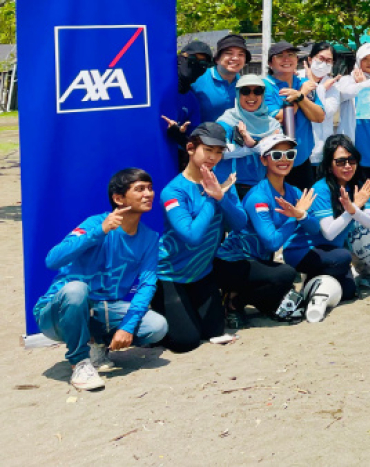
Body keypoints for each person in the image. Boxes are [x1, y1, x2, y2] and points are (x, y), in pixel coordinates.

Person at [33, 169, 168, 391]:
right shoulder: (95, 224)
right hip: (57, 314)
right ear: (119, 198)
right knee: (76, 290)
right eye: (140, 189)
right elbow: (52, 260)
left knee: (157, 326)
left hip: (104, 309)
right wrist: (100, 231)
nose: (148, 194)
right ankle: (79, 362)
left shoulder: (149, 238)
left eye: (150, 188)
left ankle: (97, 345)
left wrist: (127, 326)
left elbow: (147, 284)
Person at [152, 123, 248, 353]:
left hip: (202, 272)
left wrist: (222, 197)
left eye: (219, 151)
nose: (213, 157)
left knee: (214, 331)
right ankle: (151, 317)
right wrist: (213, 198)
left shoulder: (222, 180)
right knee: (186, 342)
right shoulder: (173, 191)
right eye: (208, 150)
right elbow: (191, 236)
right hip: (170, 275)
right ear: (190, 148)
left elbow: (240, 224)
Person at [213, 134, 313, 327]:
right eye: (276, 155)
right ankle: (233, 302)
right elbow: (272, 242)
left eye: (289, 154)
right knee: (286, 274)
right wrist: (296, 216)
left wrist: (302, 215)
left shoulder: (293, 191)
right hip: (230, 263)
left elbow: (315, 227)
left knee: (288, 297)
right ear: (263, 160)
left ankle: (240, 295)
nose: (284, 159)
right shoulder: (258, 197)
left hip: (258, 263)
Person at [287, 134, 370, 301]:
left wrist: (354, 209)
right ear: (329, 165)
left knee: (348, 291)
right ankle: (311, 278)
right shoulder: (321, 189)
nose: (348, 166)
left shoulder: (357, 186)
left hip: (332, 251)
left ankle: (318, 278)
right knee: (343, 258)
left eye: (352, 160)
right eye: (341, 161)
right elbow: (329, 233)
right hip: (304, 250)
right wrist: (353, 208)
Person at [263, 41, 325, 190]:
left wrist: (300, 97)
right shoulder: (265, 86)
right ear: (270, 63)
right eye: (280, 56)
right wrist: (301, 94)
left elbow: (319, 117)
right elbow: (279, 118)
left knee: (305, 203)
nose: (286, 59)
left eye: (291, 55)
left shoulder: (304, 83)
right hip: (275, 160)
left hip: (302, 160)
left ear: (297, 60)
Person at [189, 33, 250, 182]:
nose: (235, 58)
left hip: (231, 157)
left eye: (241, 54)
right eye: (229, 53)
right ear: (217, 58)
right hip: (201, 156)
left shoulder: (245, 86)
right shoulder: (198, 79)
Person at [216, 74, 284, 195]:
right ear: (238, 94)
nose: (252, 96)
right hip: (229, 186)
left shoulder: (273, 125)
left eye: (257, 91)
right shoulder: (227, 120)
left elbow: (280, 154)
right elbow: (219, 151)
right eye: (245, 91)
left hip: (262, 187)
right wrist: (256, 146)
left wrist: (254, 145)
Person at [334, 43, 370, 182]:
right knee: (353, 186)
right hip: (355, 142)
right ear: (359, 62)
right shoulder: (348, 80)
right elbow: (345, 93)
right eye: (365, 59)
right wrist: (366, 84)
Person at [166, 39, 213, 169]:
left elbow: (193, 141)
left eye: (203, 63)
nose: (196, 65)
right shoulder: (154, 87)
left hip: (169, 164)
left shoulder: (192, 100)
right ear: (181, 57)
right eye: (192, 59)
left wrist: (180, 136)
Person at [304, 42, 343, 169]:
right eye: (321, 58)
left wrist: (318, 89)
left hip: (320, 149)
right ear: (310, 59)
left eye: (328, 61)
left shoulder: (333, 86)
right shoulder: (296, 79)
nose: (324, 63)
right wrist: (319, 88)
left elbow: (326, 112)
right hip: (299, 146)